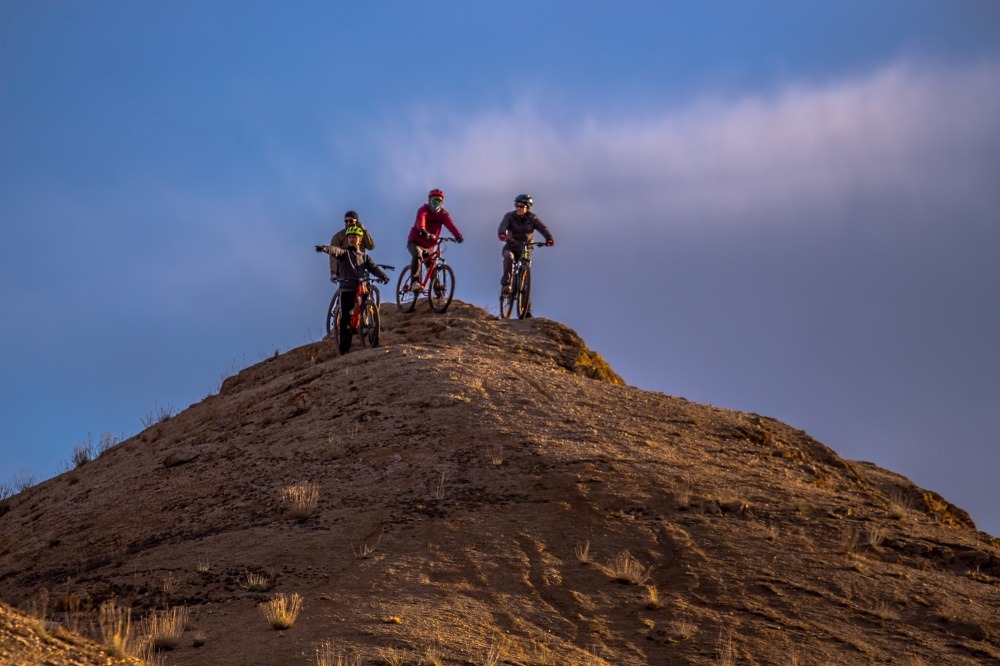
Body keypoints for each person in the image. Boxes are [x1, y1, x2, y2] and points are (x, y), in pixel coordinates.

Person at [315, 226, 390, 355]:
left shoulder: (365, 257)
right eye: (350, 237)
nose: (352, 239)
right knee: (345, 318)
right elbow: (335, 251)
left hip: (361, 286)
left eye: (355, 237)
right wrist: (325, 248)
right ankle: (344, 349)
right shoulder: (344, 253)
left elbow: (373, 268)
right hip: (347, 287)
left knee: (369, 305)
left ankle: (373, 340)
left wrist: (383, 276)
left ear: (360, 239)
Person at [406, 188, 463, 292]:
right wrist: (422, 230)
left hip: (429, 245)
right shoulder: (423, 209)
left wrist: (458, 235)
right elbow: (421, 220)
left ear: (442, 202)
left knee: (432, 265)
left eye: (439, 200)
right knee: (417, 255)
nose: (436, 202)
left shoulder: (443, 214)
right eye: (434, 200)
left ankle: (437, 289)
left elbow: (451, 225)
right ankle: (415, 282)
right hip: (415, 241)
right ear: (429, 200)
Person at [497, 193, 554, 297]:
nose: (518, 208)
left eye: (521, 206)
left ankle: (526, 309)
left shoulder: (533, 218)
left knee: (525, 276)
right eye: (517, 206)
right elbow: (502, 227)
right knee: (509, 257)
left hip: (526, 248)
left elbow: (543, 228)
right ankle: (506, 285)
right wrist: (502, 235)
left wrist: (549, 238)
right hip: (511, 246)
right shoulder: (509, 216)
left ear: (527, 208)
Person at [327, 210, 375, 280]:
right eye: (346, 221)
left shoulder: (361, 234)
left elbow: (371, 246)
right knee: (346, 289)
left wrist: (364, 231)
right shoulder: (338, 236)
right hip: (346, 272)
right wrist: (334, 272)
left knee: (365, 288)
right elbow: (333, 255)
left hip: (361, 268)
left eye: (351, 221)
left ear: (357, 222)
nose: (348, 223)